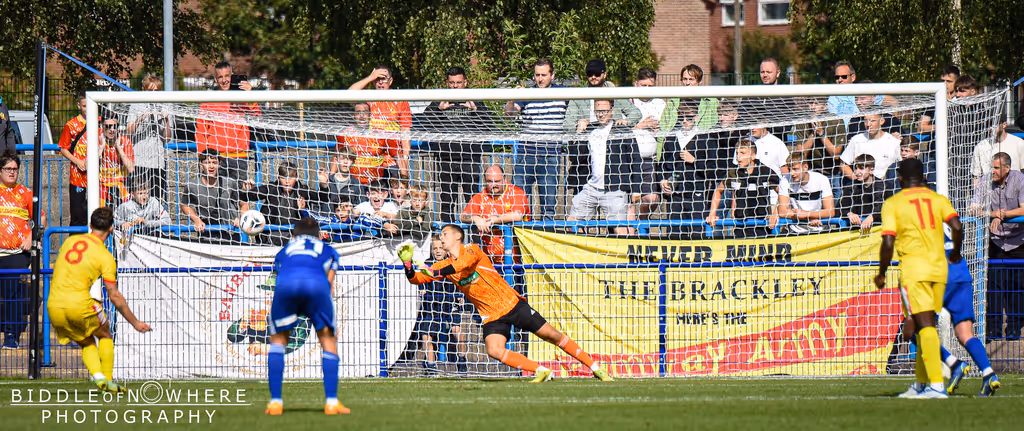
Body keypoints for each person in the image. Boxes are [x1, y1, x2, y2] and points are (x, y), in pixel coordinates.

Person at [399, 224, 613, 383]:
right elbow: (416, 279)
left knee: (552, 335)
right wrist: (408, 265)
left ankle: (595, 367)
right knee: (494, 349)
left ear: (458, 236)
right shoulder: (443, 264)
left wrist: (433, 271)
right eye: (440, 235)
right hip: (491, 316)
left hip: (511, 304)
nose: (441, 238)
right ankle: (541, 370)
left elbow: (460, 266)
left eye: (445, 234)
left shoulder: (472, 250)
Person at [875, 158, 964, 399]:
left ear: (900, 178)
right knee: (922, 325)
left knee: (924, 326)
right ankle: (920, 384)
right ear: (923, 176)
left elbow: (888, 242)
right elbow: (957, 227)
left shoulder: (893, 203)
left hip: (915, 271)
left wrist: (882, 272)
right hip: (940, 269)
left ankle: (936, 386)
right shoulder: (938, 199)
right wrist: (955, 253)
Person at [47, 207, 152, 392]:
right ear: (111, 228)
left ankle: (99, 378)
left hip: (53, 305)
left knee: (86, 341)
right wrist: (135, 323)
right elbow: (114, 295)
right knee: (104, 334)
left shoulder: (70, 241)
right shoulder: (105, 257)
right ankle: (108, 380)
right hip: (79, 305)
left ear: (90, 224)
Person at [264, 217, 349, 416]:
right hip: (316, 287)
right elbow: (329, 285)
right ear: (318, 236)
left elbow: (279, 276)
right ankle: (331, 402)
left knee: (278, 342)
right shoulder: (328, 250)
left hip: (286, 288)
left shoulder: (284, 251)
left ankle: (275, 403)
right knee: (328, 341)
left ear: (294, 236)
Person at [901, 250, 1000, 397]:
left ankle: (950, 366)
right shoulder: (950, 232)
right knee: (965, 335)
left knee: (916, 329)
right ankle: (989, 374)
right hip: (960, 273)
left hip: (937, 275)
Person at [422, 66, 493, 222]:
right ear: (447, 83)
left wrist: (475, 109)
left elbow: (490, 125)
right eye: (452, 83)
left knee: (472, 199)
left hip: (469, 158)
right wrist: (438, 110)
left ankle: (475, 235)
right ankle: (447, 233)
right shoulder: (440, 100)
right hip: (446, 158)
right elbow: (423, 124)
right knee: (447, 201)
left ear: (465, 82)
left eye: (458, 83)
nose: (455, 86)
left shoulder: (474, 100)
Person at [503, 58, 567, 221]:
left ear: (552, 75)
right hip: (526, 154)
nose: (540, 79)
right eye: (537, 75)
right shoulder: (527, 94)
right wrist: (511, 98)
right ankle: (520, 235)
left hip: (550, 154)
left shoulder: (563, 93)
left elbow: (583, 103)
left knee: (549, 206)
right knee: (519, 203)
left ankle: (546, 236)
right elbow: (509, 115)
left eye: (544, 75)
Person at [971, 152, 1024, 339]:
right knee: (994, 287)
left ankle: (1014, 329)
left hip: (1018, 241)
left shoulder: (1019, 179)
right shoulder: (985, 181)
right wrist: (994, 214)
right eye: (991, 167)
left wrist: (1004, 215)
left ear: (1007, 168)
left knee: (1017, 287)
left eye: (996, 168)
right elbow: (973, 208)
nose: (992, 171)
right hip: (996, 240)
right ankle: (993, 329)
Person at [566, 100, 638, 236]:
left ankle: (623, 249)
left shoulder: (622, 131)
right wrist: (579, 134)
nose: (601, 114)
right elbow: (577, 158)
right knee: (572, 222)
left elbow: (635, 159)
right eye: (598, 111)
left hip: (614, 189)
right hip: (590, 187)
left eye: (604, 111)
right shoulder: (589, 130)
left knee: (620, 229)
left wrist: (636, 189)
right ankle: (585, 247)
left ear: (612, 111)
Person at [0, 151, 44, 349]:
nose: (12, 172)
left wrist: (30, 237)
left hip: (18, 253)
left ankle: (11, 334)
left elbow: (41, 218)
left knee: (12, 290)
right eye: (8, 169)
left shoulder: (25, 193)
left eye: (15, 169)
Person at [196, 61, 261, 182]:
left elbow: (257, 117)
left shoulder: (243, 98)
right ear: (216, 79)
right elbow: (200, 131)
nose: (224, 80)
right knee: (214, 192)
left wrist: (251, 95)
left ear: (232, 76)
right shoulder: (208, 100)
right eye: (220, 77)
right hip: (215, 158)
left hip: (239, 157)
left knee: (239, 192)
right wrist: (203, 156)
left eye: (227, 76)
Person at [414, 236, 468, 376]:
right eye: (435, 248)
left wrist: (460, 294)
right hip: (432, 303)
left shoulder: (452, 262)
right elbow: (421, 279)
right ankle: (431, 366)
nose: (438, 251)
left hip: (450, 301)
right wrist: (422, 288)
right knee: (426, 336)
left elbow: (460, 279)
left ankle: (462, 360)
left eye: (441, 248)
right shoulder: (428, 264)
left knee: (456, 330)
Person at [706, 138, 780, 238]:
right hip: (740, 224)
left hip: (763, 224)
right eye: (737, 153)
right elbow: (718, 191)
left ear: (753, 156)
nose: (738, 157)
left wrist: (775, 212)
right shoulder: (733, 173)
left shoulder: (765, 171)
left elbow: (782, 192)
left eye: (742, 153)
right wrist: (712, 213)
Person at [349, 66, 413, 178]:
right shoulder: (368, 97)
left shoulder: (400, 100)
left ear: (390, 81)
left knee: (396, 187)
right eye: (377, 79)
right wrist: (370, 77)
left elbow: (405, 130)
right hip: (371, 159)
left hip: (393, 160)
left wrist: (405, 158)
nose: (380, 82)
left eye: (383, 79)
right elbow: (349, 94)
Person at [461, 166, 530, 260]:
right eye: (489, 181)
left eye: (497, 181)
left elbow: (518, 215)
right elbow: (463, 216)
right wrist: (476, 218)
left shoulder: (516, 193)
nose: (494, 185)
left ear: (505, 179)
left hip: (518, 259)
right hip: (489, 260)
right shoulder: (479, 197)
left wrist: (494, 219)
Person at [181, 149, 248, 243]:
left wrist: (241, 219)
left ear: (219, 164)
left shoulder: (230, 183)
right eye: (207, 163)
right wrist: (196, 220)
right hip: (207, 234)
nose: (211, 166)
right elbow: (184, 205)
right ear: (201, 166)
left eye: (214, 162)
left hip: (231, 233)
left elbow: (244, 204)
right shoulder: (192, 185)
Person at [241, 162, 316, 246]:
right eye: (283, 177)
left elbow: (322, 197)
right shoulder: (272, 189)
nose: (287, 181)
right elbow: (248, 196)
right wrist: (246, 191)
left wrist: (324, 186)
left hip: (294, 239)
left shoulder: (302, 191)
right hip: (270, 238)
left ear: (296, 178)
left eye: (291, 177)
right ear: (279, 178)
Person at [126, 74, 172, 201]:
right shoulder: (136, 105)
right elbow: (129, 131)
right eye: (150, 91)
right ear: (143, 90)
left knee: (156, 200)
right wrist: (141, 118)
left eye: (156, 91)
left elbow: (167, 138)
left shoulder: (164, 106)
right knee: (138, 199)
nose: (153, 94)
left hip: (157, 162)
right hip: (139, 161)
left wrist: (166, 120)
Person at [629, 67, 666, 221]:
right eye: (644, 85)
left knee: (652, 199)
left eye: (650, 86)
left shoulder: (660, 103)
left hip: (649, 160)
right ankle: (630, 231)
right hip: (629, 159)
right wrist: (640, 126)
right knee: (629, 201)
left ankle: (641, 224)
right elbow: (618, 128)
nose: (647, 89)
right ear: (636, 84)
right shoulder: (627, 101)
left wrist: (659, 130)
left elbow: (666, 129)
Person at [776, 152, 835, 234]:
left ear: (805, 167)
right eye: (790, 169)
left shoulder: (822, 180)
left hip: (820, 229)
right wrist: (809, 218)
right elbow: (782, 211)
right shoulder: (785, 180)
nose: (792, 173)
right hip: (795, 231)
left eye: (795, 169)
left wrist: (807, 214)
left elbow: (830, 212)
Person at [839, 113, 902, 181]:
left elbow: (901, 165)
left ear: (881, 121)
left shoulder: (893, 142)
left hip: (886, 185)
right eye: (866, 120)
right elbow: (843, 164)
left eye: (872, 121)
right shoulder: (857, 140)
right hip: (863, 186)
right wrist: (856, 179)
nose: (868, 124)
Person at [58, 93, 89, 226]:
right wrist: (78, 161)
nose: (88, 109)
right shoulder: (71, 125)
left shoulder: (101, 122)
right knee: (77, 214)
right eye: (85, 106)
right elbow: (63, 148)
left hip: (98, 176)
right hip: (78, 176)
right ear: (79, 106)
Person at [795, 98, 847, 176]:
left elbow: (836, 155)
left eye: (816, 104)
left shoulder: (835, 121)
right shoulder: (802, 122)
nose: (812, 107)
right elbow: (801, 155)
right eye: (810, 103)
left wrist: (822, 134)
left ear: (825, 106)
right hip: (810, 172)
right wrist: (813, 134)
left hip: (831, 172)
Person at [661, 64, 718, 131]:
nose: (687, 83)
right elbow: (663, 125)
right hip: (675, 135)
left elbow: (715, 124)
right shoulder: (673, 101)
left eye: (691, 79)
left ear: (700, 81)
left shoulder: (710, 102)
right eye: (685, 79)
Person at [839, 155, 885, 234]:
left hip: (877, 231)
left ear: (871, 170)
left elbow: (885, 206)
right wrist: (849, 213)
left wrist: (873, 216)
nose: (857, 172)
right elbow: (840, 206)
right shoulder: (851, 186)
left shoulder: (882, 186)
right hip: (855, 231)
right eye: (856, 168)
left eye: (861, 168)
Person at [98, 114, 135, 207]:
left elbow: (131, 168)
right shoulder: (96, 141)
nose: (112, 130)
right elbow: (88, 167)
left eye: (115, 126)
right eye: (108, 126)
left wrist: (118, 147)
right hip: (102, 187)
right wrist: (101, 147)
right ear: (102, 126)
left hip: (122, 187)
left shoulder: (125, 141)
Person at [971, 119, 1024, 183]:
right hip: (989, 187)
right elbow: (976, 176)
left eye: (994, 124)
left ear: (1004, 124)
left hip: (1014, 186)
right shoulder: (980, 147)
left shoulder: (1019, 143)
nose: (991, 128)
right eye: (989, 125)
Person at [918, 65, 960, 134]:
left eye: (949, 81)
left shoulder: (962, 100)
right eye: (942, 81)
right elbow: (921, 128)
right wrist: (941, 126)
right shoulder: (933, 101)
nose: (945, 84)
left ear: (957, 82)